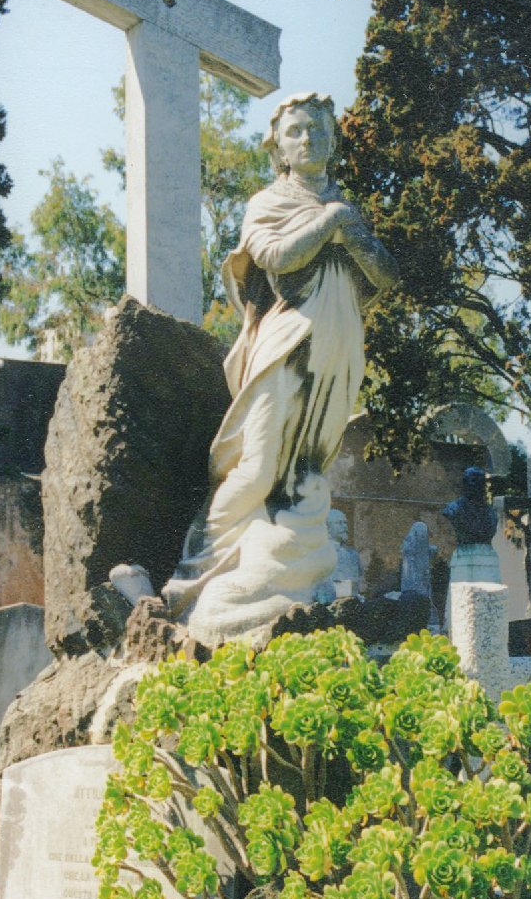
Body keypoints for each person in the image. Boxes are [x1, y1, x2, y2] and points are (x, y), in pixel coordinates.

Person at [163, 91, 397, 641]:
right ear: (279, 149)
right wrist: (332, 221)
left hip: (339, 352)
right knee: (256, 467)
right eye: (295, 131)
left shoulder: (346, 209)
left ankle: (284, 575)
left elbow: (385, 276)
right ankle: (191, 580)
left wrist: (346, 223)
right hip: (286, 344)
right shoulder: (268, 202)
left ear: (334, 141)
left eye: (318, 129)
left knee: (306, 473)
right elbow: (275, 257)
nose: (308, 138)